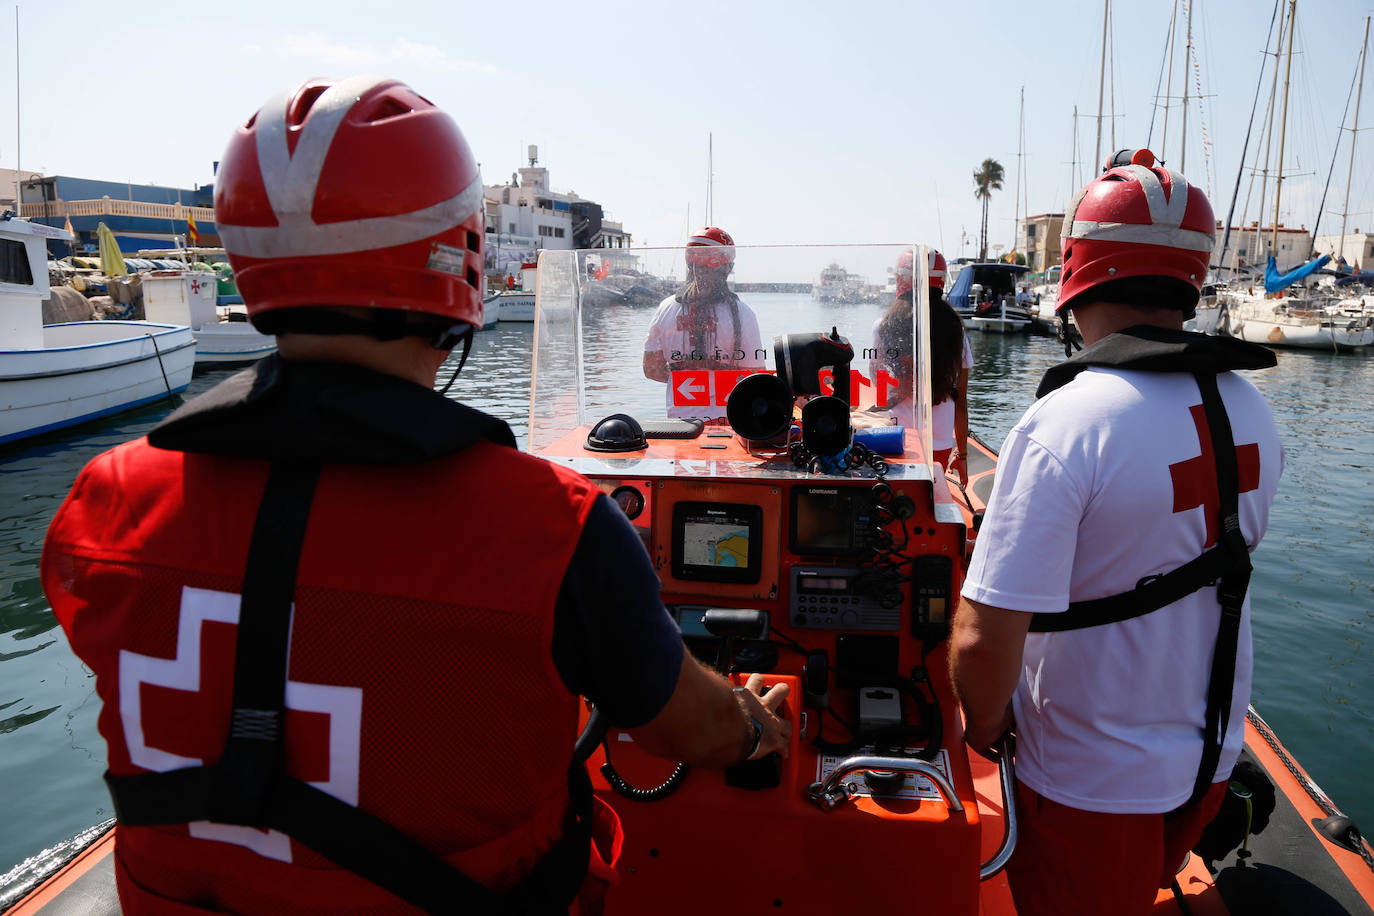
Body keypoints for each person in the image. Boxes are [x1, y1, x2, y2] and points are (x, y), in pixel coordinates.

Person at [41, 77, 789, 916]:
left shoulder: (104, 502)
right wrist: (753, 724)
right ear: (457, 254)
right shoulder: (553, 528)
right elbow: (686, 728)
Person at [949, 149, 1284, 916]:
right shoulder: (1252, 411)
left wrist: (988, 728)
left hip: (1087, 783)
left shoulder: (1068, 423)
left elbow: (981, 641)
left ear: (1077, 272)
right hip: (1208, 760)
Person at [870, 247, 971, 483]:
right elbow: (961, 399)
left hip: (896, 437)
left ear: (901, 279)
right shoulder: (956, 329)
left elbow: (878, 380)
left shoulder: (883, 325)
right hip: (940, 442)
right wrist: (962, 454)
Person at [642, 227, 764, 420]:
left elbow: (651, 369)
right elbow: (755, 377)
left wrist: (685, 376)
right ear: (727, 268)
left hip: (680, 426)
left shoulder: (666, 308)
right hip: (730, 422)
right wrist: (715, 374)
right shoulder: (743, 314)